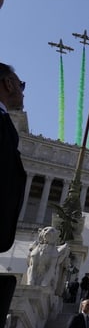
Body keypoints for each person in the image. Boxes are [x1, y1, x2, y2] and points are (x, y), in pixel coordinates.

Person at [0, 62, 27, 254]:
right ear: (8, 84)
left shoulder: (7, 126)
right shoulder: (4, 127)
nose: (23, 91)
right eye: (21, 85)